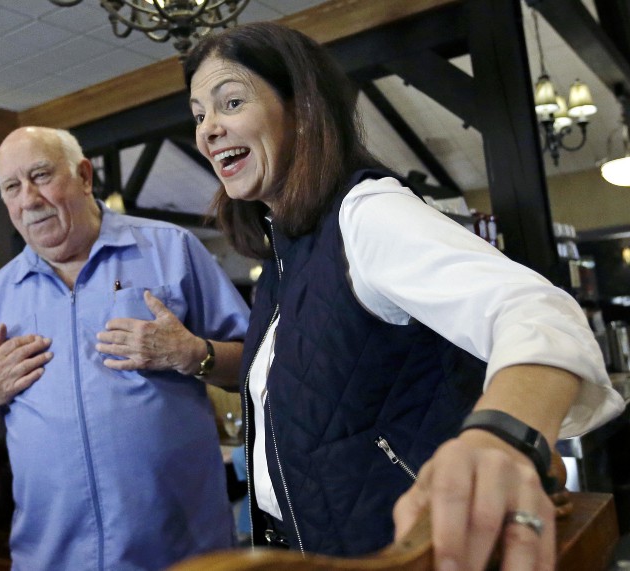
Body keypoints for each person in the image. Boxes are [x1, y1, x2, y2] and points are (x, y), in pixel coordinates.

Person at [184, 22, 625, 570]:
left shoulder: (366, 213)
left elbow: (538, 310)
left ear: (301, 107)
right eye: (199, 114)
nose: (208, 130)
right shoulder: (284, 253)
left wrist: (498, 437)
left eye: (230, 102)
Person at [0, 126, 250, 571]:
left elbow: (259, 360)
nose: (29, 199)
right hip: (51, 558)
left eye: (41, 176)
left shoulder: (171, 249)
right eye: (12, 187)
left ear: (84, 176)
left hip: (182, 552)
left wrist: (191, 353)